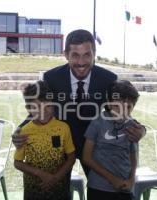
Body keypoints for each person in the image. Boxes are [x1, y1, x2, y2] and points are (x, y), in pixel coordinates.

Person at [13, 29, 145, 175]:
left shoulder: (108, 79)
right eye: (75, 55)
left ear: (94, 54)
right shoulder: (51, 78)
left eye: (87, 55)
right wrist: (20, 130)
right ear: (66, 55)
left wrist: (141, 130)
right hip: (59, 145)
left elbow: (119, 111)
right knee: (57, 191)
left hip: (95, 147)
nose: (81, 63)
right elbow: (40, 109)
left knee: (100, 190)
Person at [14, 80, 76, 200]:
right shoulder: (24, 131)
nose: (43, 111)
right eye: (36, 107)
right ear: (28, 108)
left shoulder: (63, 128)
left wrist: (55, 178)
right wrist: (42, 175)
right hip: (34, 189)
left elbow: (71, 158)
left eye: (48, 106)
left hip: (59, 189)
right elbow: (17, 163)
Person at [82, 80, 139, 200]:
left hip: (125, 187)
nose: (122, 112)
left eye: (128, 107)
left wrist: (132, 179)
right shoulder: (97, 123)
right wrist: (112, 179)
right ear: (109, 103)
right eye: (117, 106)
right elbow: (86, 157)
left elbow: (133, 155)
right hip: (99, 188)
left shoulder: (133, 127)